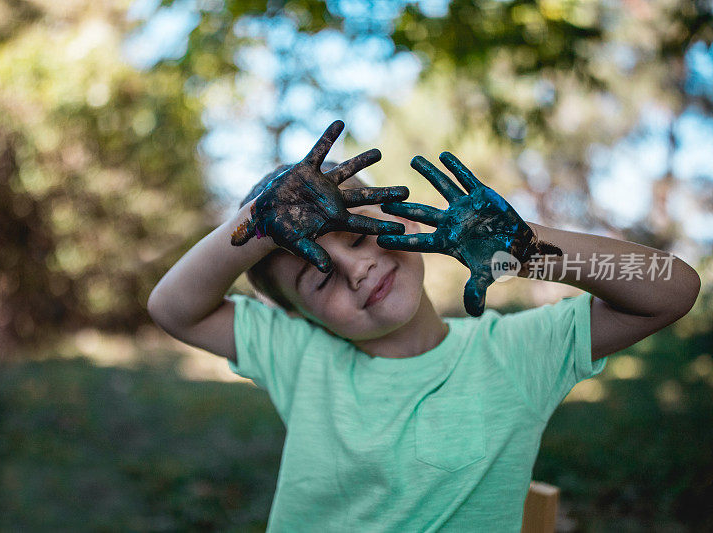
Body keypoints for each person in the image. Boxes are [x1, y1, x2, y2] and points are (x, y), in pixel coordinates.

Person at [147, 120, 700, 531]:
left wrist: (529, 249)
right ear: (298, 314)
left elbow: (673, 290)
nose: (358, 268)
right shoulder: (299, 354)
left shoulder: (518, 351)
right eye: (319, 277)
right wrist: (257, 225)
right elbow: (173, 308)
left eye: (361, 237)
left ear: (402, 218)